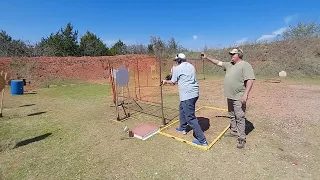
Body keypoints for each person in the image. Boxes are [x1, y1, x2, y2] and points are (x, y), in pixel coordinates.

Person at [203, 48, 255, 148]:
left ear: (239, 55)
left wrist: (246, 94)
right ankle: (234, 131)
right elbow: (218, 62)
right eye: (231, 54)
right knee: (231, 114)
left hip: (239, 96)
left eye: (233, 54)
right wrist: (206, 57)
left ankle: (241, 138)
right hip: (229, 96)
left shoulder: (245, 65)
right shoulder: (229, 64)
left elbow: (250, 80)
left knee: (239, 117)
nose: (231, 56)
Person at [161, 53, 208, 146]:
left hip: (188, 95)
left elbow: (173, 82)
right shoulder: (191, 66)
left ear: (178, 60)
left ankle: (202, 140)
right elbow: (183, 77)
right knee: (182, 108)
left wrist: (165, 81)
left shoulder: (176, 68)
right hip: (194, 94)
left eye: (176, 60)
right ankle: (182, 127)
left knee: (190, 118)